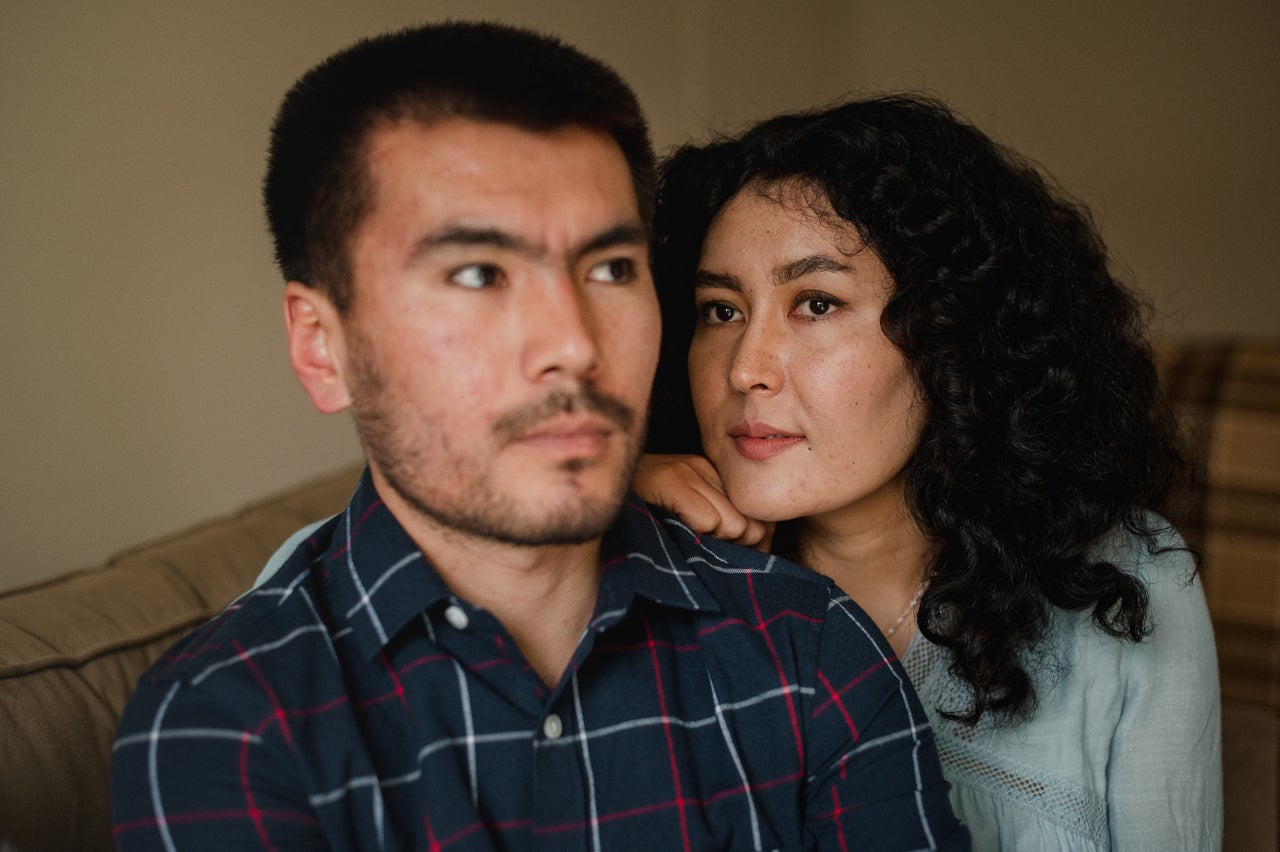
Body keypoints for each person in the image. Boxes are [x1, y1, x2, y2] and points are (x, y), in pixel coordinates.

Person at [109, 25, 968, 851]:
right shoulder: (227, 717)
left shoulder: (809, 647)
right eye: (479, 274)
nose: (575, 343)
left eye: (609, 269)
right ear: (321, 347)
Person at [640, 94, 1222, 850]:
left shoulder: (1129, 582)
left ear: (952, 338)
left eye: (815, 304)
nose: (746, 368)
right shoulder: (652, 570)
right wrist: (604, 502)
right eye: (720, 310)